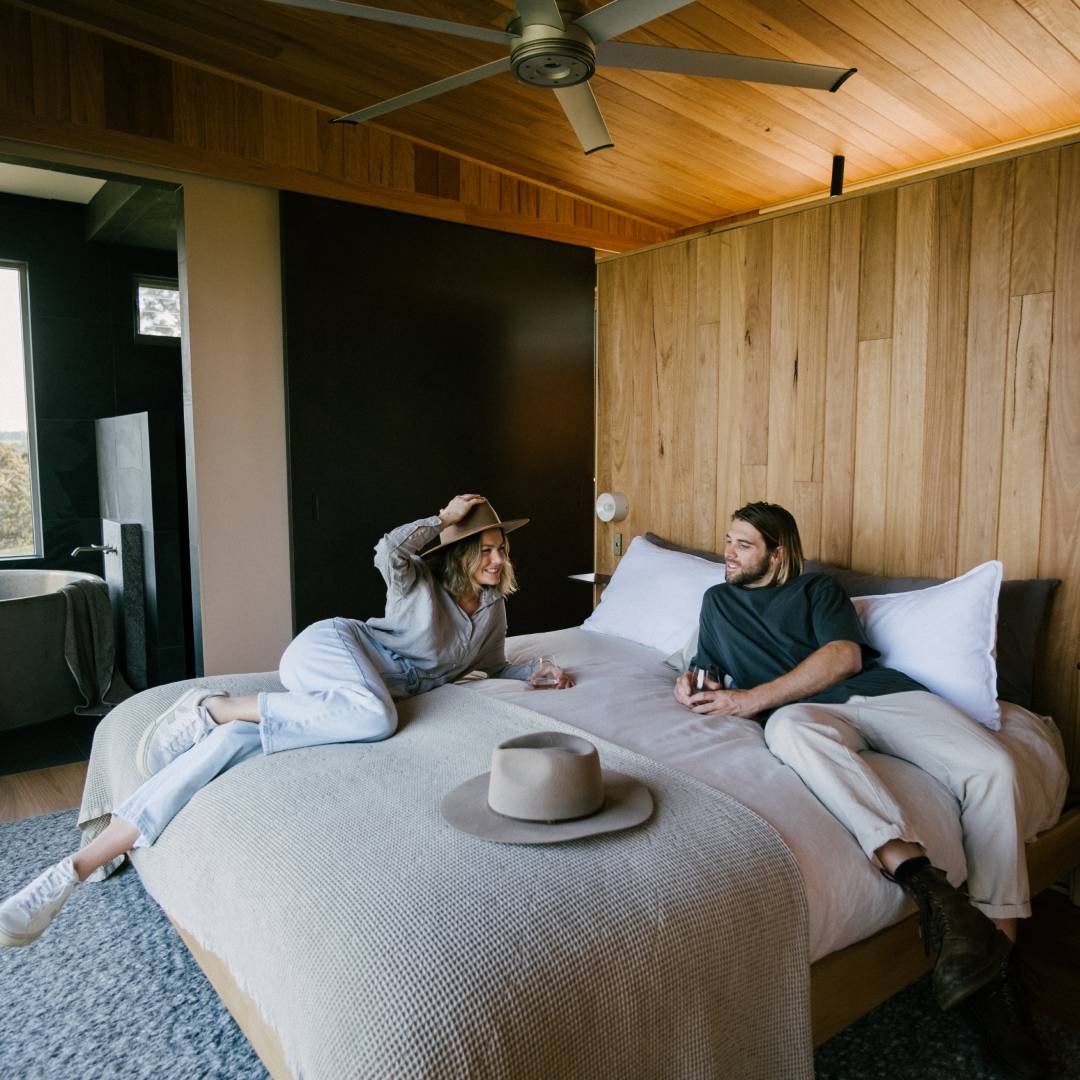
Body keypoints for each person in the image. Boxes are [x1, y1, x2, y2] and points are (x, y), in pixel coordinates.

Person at [0, 494, 573, 949]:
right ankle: (214, 706)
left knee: (231, 750)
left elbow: (492, 664)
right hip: (331, 650)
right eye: (486, 551)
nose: (497, 561)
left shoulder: (494, 609)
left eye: (501, 550)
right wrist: (438, 518)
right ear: (461, 555)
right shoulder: (417, 582)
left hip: (340, 697)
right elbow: (388, 550)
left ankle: (68, 872)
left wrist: (534, 676)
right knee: (375, 717)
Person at [673, 501, 1046, 1079]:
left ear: (776, 552)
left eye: (743, 544)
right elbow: (709, 666)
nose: (728, 552)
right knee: (788, 730)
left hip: (882, 696)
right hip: (806, 714)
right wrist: (689, 683)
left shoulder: (817, 590)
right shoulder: (717, 602)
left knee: (994, 768)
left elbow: (844, 656)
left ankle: (996, 972)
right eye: (727, 539)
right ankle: (929, 886)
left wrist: (750, 700)